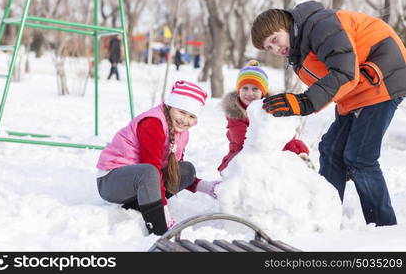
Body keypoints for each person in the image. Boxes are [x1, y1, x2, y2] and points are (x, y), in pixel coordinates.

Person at [251, 1, 406, 226]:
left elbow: (344, 72)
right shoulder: (299, 50)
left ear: (286, 24)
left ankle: (383, 227)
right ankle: (326, 219)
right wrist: (301, 102)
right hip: (357, 91)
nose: (276, 50)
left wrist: (304, 102)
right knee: (331, 150)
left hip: (382, 80)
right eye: (269, 48)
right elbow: (333, 83)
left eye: (275, 40)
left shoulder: (320, 25)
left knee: (360, 158)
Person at [96, 80, 219, 235]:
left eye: (191, 116)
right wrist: (164, 213)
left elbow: (173, 169)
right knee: (149, 172)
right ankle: (159, 228)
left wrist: (207, 187)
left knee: (186, 170)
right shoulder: (153, 123)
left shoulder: (181, 131)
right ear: (170, 105)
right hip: (111, 181)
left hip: (139, 179)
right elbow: (151, 169)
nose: (185, 120)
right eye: (181, 112)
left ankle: (141, 205)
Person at [218, 60, 310, 173]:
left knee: (290, 149)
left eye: (255, 89)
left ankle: (301, 163)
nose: (249, 93)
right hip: (242, 155)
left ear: (263, 93)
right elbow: (244, 140)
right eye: (245, 88)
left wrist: (296, 150)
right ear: (238, 91)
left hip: (269, 151)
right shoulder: (235, 115)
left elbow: (283, 134)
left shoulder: (271, 110)